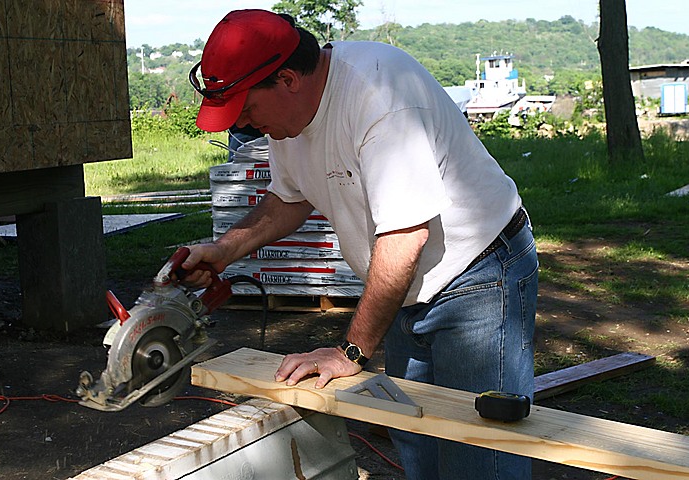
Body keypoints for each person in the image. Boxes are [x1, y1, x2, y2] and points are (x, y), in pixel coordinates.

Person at [184, 9, 538, 480]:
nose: (247, 126)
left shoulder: (379, 97)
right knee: (415, 437)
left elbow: (406, 236)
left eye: (247, 111)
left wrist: (349, 351)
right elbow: (288, 199)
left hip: (478, 274)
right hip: (404, 282)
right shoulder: (289, 118)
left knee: (480, 451)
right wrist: (224, 250)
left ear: (287, 79)